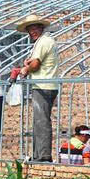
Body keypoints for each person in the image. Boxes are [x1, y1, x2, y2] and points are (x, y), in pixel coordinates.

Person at [17, 14, 59, 162]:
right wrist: (29, 64)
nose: (32, 32)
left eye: (34, 29)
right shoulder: (47, 41)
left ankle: (44, 156)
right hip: (47, 84)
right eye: (30, 30)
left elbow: (36, 64)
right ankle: (37, 155)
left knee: (41, 120)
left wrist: (25, 70)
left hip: (43, 85)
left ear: (41, 28)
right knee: (39, 120)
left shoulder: (43, 41)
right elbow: (36, 62)